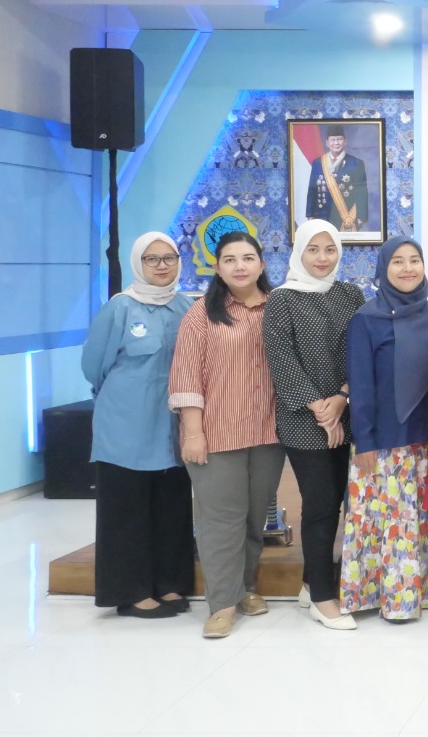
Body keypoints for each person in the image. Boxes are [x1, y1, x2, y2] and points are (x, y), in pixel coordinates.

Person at [167, 231, 283, 639]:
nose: (239, 266)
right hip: (216, 435)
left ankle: (245, 588)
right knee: (220, 521)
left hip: (268, 433)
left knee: (254, 518)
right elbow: (186, 376)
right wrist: (193, 433)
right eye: (230, 259)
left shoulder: (278, 307)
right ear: (217, 267)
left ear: (261, 264)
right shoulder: (201, 314)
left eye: (248, 258)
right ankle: (221, 604)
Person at [82, 231, 196, 619]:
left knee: (171, 506)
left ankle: (169, 583)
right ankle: (130, 592)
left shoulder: (186, 307)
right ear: (138, 263)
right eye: (152, 259)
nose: (162, 266)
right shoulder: (120, 308)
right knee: (126, 510)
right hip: (125, 426)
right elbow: (93, 366)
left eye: (170, 258)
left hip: (171, 427)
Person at [262, 219, 364, 630]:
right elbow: (281, 359)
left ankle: (309, 582)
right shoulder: (281, 300)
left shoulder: (350, 294)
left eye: (330, 249)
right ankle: (324, 597)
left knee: (339, 502)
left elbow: (362, 351)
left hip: (347, 412)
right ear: (299, 252)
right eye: (314, 249)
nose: (323, 258)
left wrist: (341, 398)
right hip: (303, 420)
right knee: (320, 505)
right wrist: (321, 410)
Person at [341, 235, 428, 622]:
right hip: (383, 441)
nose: (407, 268)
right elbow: (361, 384)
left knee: (421, 519)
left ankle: (427, 593)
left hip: (425, 438)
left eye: (414, 260)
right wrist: (365, 441)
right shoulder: (366, 318)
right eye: (397, 261)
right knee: (385, 520)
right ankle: (388, 598)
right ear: (383, 268)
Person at [306, 124, 370, 232]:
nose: (336, 143)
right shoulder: (318, 163)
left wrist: (361, 217)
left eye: (339, 139)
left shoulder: (356, 163)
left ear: (345, 141)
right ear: (327, 143)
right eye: (333, 140)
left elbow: (362, 191)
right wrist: (310, 214)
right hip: (322, 214)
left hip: (347, 217)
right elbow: (312, 190)